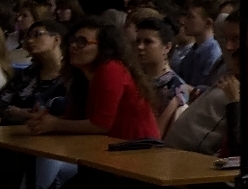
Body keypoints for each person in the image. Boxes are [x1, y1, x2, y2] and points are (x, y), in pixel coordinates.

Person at [25, 18, 158, 141]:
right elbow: (73, 118)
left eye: (82, 42)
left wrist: (55, 124)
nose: (73, 45)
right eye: (73, 40)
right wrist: (44, 120)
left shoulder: (111, 68)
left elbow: (101, 125)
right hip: (106, 148)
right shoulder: (81, 75)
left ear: (103, 48)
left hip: (139, 149)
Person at [0, 20, 66, 122]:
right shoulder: (29, 73)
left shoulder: (71, 75)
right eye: (28, 37)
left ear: (56, 39)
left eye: (37, 34)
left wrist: (26, 114)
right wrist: (14, 112)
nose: (30, 41)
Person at [169, 0, 223, 90]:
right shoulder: (193, 50)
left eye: (191, 17)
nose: (185, 21)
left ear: (208, 23)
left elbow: (208, 90)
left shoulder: (214, 54)